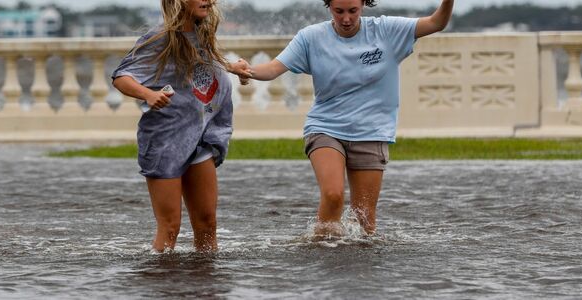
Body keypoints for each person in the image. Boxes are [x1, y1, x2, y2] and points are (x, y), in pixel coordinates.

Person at [240, 0, 454, 237]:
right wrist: (247, 70)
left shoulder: (387, 30)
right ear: (328, 5)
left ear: (363, 4)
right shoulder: (311, 37)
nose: (346, 19)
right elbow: (272, 69)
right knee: (333, 195)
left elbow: (437, 22)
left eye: (353, 11)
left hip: (372, 132)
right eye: (338, 11)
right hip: (325, 128)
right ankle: (318, 254)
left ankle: (353, 269)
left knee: (364, 221)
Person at [111, 0, 250, 252]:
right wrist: (147, 95)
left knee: (207, 224)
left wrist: (231, 68)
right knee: (170, 227)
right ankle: (164, 285)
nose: (208, 0)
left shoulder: (201, 34)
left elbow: (198, 66)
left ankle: (206, 286)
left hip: (199, 138)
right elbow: (121, 77)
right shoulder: (159, 38)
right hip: (165, 142)